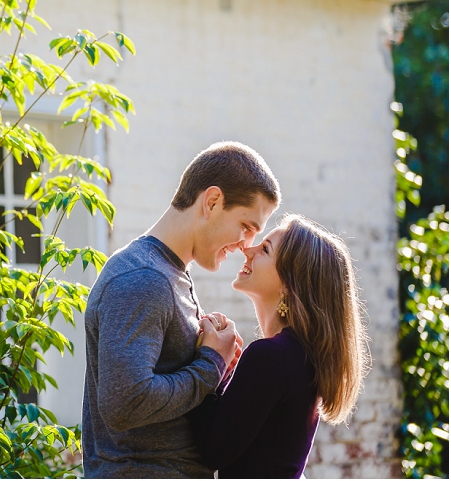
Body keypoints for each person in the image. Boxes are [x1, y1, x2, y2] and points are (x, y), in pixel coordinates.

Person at [82, 142, 280, 478]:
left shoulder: (171, 274)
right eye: (246, 226)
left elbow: (171, 395)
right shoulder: (144, 278)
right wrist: (209, 364)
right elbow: (124, 404)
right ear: (213, 202)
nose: (246, 245)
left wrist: (219, 368)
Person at [188, 214, 370, 478]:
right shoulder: (300, 357)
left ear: (287, 283)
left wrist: (208, 358)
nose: (246, 250)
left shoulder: (271, 357)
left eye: (264, 249)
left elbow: (213, 451)